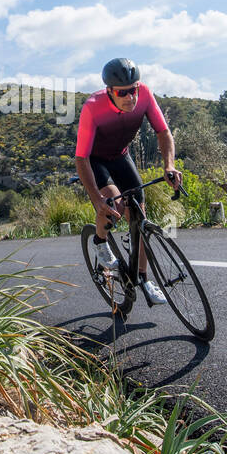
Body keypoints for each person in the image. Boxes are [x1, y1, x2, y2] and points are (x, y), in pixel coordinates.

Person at [74, 57, 182, 308]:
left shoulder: (144, 94)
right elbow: (81, 159)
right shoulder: (93, 107)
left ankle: (143, 278)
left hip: (121, 156)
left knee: (140, 214)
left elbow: (163, 132)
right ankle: (100, 241)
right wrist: (97, 200)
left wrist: (169, 165)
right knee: (115, 204)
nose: (130, 97)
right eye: (123, 93)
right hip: (96, 161)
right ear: (109, 91)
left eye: (133, 90)